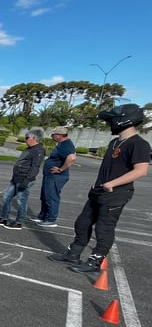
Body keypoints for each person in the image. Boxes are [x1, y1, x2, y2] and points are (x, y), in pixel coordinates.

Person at [49, 103, 150, 273]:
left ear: (124, 120)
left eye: (112, 119)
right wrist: (98, 183)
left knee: (104, 228)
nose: (110, 123)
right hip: (98, 191)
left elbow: (141, 171)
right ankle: (73, 253)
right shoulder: (114, 142)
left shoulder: (139, 144)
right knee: (82, 223)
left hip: (116, 193)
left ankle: (95, 261)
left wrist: (111, 183)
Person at [0, 129, 45, 230]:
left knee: (21, 201)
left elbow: (35, 167)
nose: (26, 140)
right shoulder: (28, 149)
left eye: (27, 138)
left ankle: (19, 222)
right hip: (16, 178)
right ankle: (4, 218)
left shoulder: (38, 150)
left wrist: (27, 180)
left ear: (34, 138)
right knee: (6, 197)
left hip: (24, 179)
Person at [31, 126, 77, 227]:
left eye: (53, 134)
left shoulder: (66, 144)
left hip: (56, 177)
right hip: (50, 175)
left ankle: (51, 219)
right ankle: (43, 216)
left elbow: (72, 157)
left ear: (59, 135)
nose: (52, 136)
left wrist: (61, 169)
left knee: (51, 197)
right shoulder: (61, 144)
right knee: (45, 196)